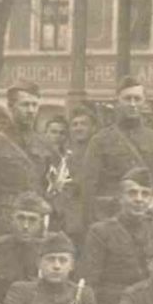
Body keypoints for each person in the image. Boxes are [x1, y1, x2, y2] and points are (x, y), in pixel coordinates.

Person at [81, 76, 153, 223]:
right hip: (113, 220)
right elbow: (89, 188)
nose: (133, 104)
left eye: (137, 99)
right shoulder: (100, 140)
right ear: (117, 102)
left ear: (144, 102)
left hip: (149, 219)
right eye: (127, 99)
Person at [0, 83, 53, 237]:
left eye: (35, 105)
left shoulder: (45, 144)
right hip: (1, 219)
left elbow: (51, 182)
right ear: (10, 107)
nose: (31, 110)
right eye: (25, 105)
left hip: (35, 218)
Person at [79, 167, 153, 304]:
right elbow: (90, 282)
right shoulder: (100, 232)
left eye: (145, 194)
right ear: (120, 198)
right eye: (132, 193)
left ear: (151, 200)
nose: (139, 199)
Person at [50, 103, 98, 243]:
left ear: (93, 128)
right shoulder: (64, 156)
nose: (78, 128)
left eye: (83, 124)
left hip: (93, 216)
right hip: (68, 221)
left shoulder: (99, 153)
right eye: (75, 124)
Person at [0, 191, 51, 301]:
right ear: (11, 220)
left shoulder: (48, 251)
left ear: (40, 223)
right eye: (21, 218)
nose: (25, 226)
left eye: (32, 220)